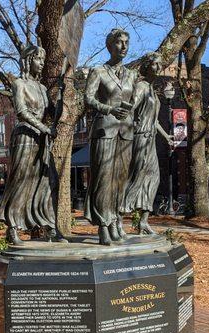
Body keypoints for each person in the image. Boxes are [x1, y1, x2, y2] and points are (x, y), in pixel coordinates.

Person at [0, 45, 62, 244]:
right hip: (25, 137)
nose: (41, 63)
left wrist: (60, 95)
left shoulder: (42, 89)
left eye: (42, 60)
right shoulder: (19, 84)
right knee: (22, 181)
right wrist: (43, 128)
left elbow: (53, 114)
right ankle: (13, 228)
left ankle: (50, 226)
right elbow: (21, 112)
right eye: (37, 59)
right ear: (27, 61)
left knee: (49, 181)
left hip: (42, 140)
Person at [84, 29, 137, 245]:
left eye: (126, 42)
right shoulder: (98, 71)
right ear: (109, 45)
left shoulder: (132, 74)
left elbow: (133, 99)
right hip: (104, 130)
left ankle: (116, 220)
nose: (123, 46)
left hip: (125, 132)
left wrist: (129, 110)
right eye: (119, 42)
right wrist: (108, 109)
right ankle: (103, 225)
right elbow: (87, 98)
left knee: (120, 180)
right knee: (104, 179)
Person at [123, 52, 173, 234]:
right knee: (135, 177)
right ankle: (117, 217)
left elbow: (155, 121)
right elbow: (130, 108)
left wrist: (167, 137)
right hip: (140, 137)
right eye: (155, 64)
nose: (159, 67)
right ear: (146, 66)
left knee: (153, 178)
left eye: (160, 64)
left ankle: (143, 221)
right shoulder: (142, 87)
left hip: (150, 139)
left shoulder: (153, 91)